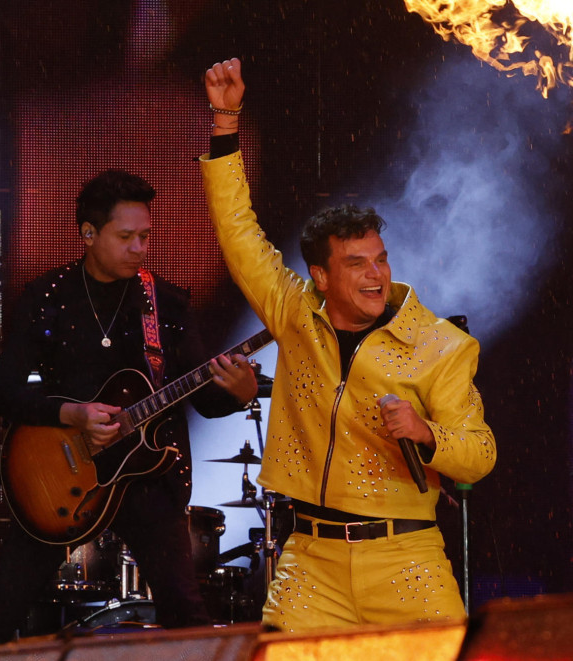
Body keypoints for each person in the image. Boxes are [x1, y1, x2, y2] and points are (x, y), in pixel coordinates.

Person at [199, 58, 496, 632]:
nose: (375, 275)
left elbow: (479, 453)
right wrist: (225, 121)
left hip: (407, 560)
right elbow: (237, 231)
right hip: (312, 563)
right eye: (356, 263)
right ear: (321, 276)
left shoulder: (441, 345)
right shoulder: (295, 314)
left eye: (380, 260)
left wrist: (427, 434)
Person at [0, 170, 258, 647]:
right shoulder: (47, 297)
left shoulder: (166, 303)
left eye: (146, 236)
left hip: (147, 481)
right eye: (126, 237)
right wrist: (72, 415)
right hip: (57, 478)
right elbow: (6, 394)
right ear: (88, 233)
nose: (140, 248)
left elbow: (204, 400)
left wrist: (239, 393)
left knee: (187, 617)